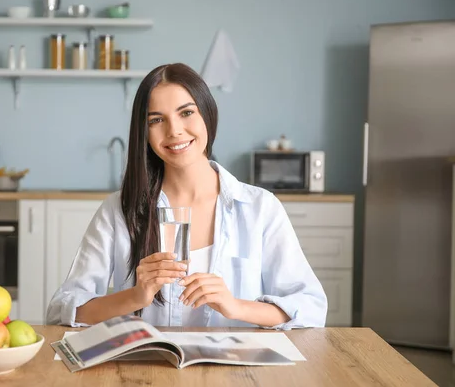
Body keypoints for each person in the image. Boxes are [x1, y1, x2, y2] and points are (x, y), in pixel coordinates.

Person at [46, 63, 327, 329]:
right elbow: (62, 310)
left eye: (186, 112)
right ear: (144, 133)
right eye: (157, 120)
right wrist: (136, 296)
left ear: (207, 113)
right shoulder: (118, 210)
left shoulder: (260, 208)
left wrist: (235, 306)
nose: (174, 131)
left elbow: (310, 308)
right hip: (145, 373)